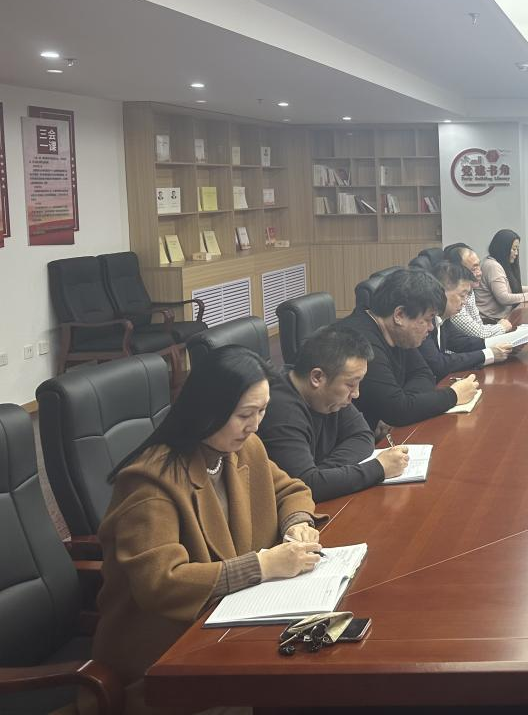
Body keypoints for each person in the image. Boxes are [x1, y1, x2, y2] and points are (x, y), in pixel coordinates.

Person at [93, 346, 322, 702]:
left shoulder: (242, 447)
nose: (255, 425)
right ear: (208, 409)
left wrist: (296, 523)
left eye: (262, 411)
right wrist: (261, 566)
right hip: (169, 650)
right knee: (300, 688)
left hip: (232, 618)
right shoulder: (151, 481)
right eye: (245, 414)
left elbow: (290, 490)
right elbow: (160, 582)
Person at [258, 325, 411, 502]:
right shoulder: (281, 412)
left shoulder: (328, 396)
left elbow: (363, 436)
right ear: (317, 377)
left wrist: (323, 474)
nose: (356, 393)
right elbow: (305, 487)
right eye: (351, 384)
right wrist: (379, 468)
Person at [335, 267, 479, 430]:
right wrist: (453, 396)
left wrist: (404, 405)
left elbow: (423, 374)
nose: (431, 327)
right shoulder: (359, 341)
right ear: (400, 315)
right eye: (427, 319)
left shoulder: (398, 333)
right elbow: (397, 410)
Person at [422, 260, 512, 377]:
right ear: (441, 292)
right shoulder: (424, 323)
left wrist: (504, 344)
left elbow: (464, 343)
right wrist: (488, 354)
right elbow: (440, 364)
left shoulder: (444, 319)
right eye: (462, 295)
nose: (464, 302)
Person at [475, 228, 528, 321]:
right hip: (491, 321)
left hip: (501, 318)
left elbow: (511, 288)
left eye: (517, 249)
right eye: (514, 249)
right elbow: (504, 298)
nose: (516, 253)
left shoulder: (498, 262)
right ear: (503, 248)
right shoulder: (492, 266)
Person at [443, 242, 513, 339]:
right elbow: (479, 334)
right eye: (474, 269)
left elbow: (479, 325)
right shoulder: (453, 299)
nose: (480, 273)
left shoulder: (470, 291)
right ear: (458, 270)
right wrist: (501, 327)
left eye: (479, 266)